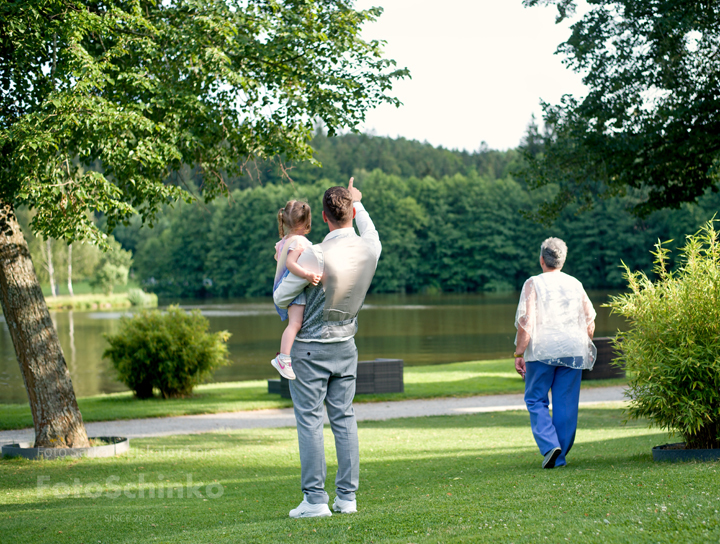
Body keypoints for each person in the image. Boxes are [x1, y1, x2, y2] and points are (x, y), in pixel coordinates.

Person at [274, 178, 381, 518]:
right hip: (346, 345)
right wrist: (359, 201)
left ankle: (315, 501)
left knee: (309, 422)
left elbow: (280, 296)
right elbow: (370, 229)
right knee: (344, 419)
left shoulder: (315, 254)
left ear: (323, 217)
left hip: (309, 348)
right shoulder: (371, 248)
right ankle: (347, 499)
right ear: (350, 212)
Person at [513, 237, 596, 469]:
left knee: (535, 398)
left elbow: (526, 321)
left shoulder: (533, 283)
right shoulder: (576, 284)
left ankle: (551, 447)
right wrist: (583, 344)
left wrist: (519, 352)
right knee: (566, 403)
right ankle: (559, 457)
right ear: (563, 260)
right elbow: (590, 321)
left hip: (541, 350)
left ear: (542, 260)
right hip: (572, 350)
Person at [271, 200, 322, 380]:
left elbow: (279, 258)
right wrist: (308, 275)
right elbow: (290, 264)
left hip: (282, 287)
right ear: (306, 222)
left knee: (294, 324)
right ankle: (283, 358)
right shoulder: (300, 241)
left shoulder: (283, 241)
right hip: (294, 291)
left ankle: (286, 356)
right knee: (295, 324)